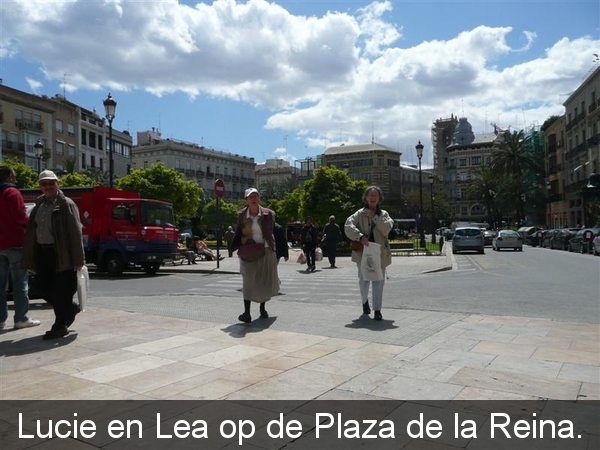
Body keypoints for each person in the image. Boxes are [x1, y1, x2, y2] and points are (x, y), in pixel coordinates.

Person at [22, 170, 85, 339]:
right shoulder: (39, 205)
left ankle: (60, 326)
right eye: (44, 184)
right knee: (39, 287)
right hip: (43, 253)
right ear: (40, 186)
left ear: (58, 184)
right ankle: (70, 309)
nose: (48, 186)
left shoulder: (66, 204)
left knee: (61, 291)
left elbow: (75, 232)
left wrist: (79, 259)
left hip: (61, 253)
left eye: (51, 183)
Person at [0, 166, 41, 330]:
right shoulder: (12, 192)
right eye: (14, 175)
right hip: (16, 243)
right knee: (20, 282)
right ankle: (21, 318)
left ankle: (0, 320)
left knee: (0, 285)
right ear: (10, 176)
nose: (15, 178)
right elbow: (20, 217)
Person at [345, 185, 393, 321]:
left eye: (375, 195)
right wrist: (360, 237)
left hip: (379, 252)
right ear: (366, 198)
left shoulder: (384, 214)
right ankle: (364, 301)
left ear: (379, 198)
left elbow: (387, 229)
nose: (373, 198)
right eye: (370, 195)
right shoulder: (358, 214)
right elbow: (348, 226)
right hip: (363, 253)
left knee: (379, 280)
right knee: (364, 279)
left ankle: (377, 310)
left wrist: (375, 217)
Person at [230, 188, 279, 323]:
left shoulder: (268, 214)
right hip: (248, 251)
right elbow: (238, 232)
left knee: (263, 281)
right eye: (250, 196)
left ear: (259, 198)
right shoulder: (242, 215)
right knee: (248, 281)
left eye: (256, 196)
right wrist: (234, 246)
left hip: (265, 250)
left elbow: (273, 231)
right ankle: (247, 313)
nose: (253, 198)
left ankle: (262, 308)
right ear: (246, 199)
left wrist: (277, 248)